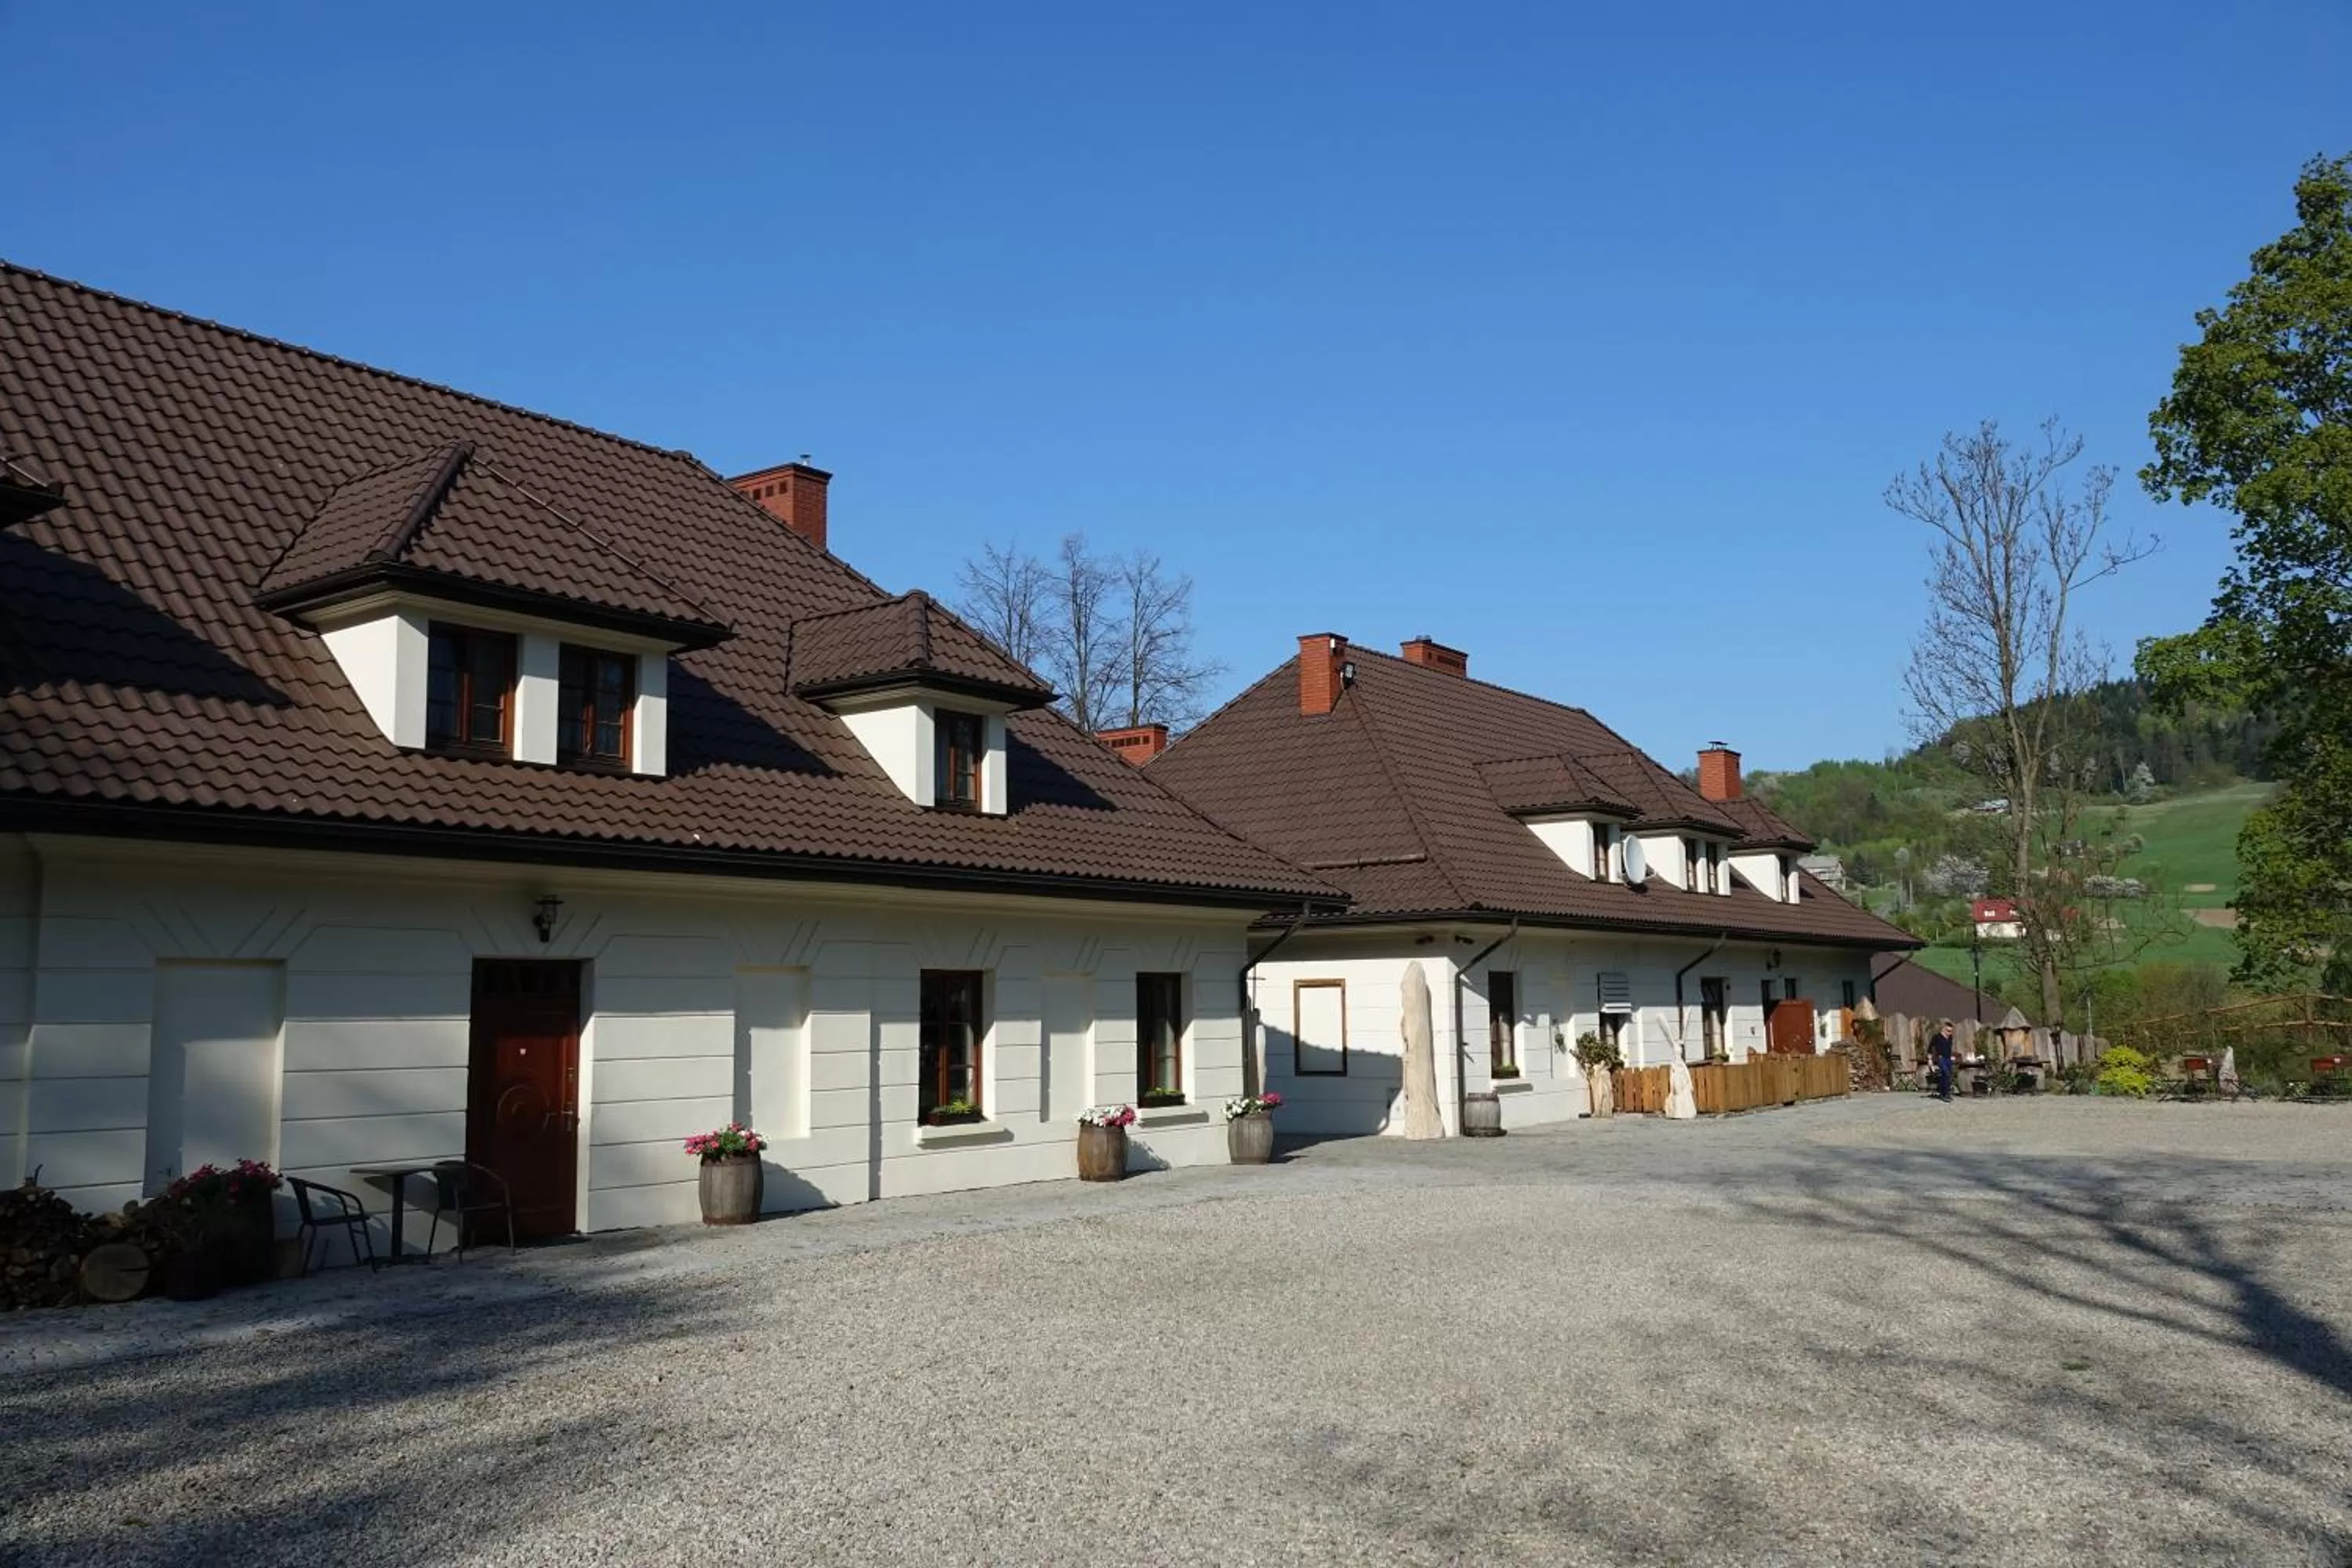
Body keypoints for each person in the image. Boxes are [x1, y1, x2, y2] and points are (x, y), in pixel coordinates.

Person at [1929, 1019, 1957, 1102]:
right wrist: (1930, 1061)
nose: (1950, 1033)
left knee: (1947, 1076)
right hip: (1940, 1059)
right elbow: (1930, 1048)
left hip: (1948, 1059)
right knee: (1946, 1073)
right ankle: (1945, 1094)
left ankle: (1943, 1093)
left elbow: (1948, 1049)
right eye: (1948, 1031)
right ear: (1943, 1029)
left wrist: (1951, 1056)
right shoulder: (1937, 1037)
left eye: (1951, 1031)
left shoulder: (1950, 1038)